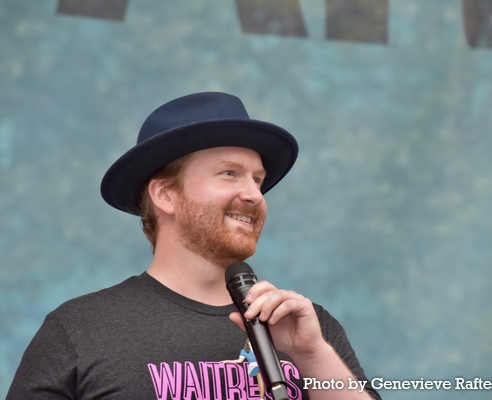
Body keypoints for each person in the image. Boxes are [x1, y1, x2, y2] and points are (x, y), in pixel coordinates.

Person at [7, 92, 381, 399]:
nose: (254, 194)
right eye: (229, 173)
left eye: (258, 180)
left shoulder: (307, 327)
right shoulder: (78, 330)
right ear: (165, 195)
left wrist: (312, 355)